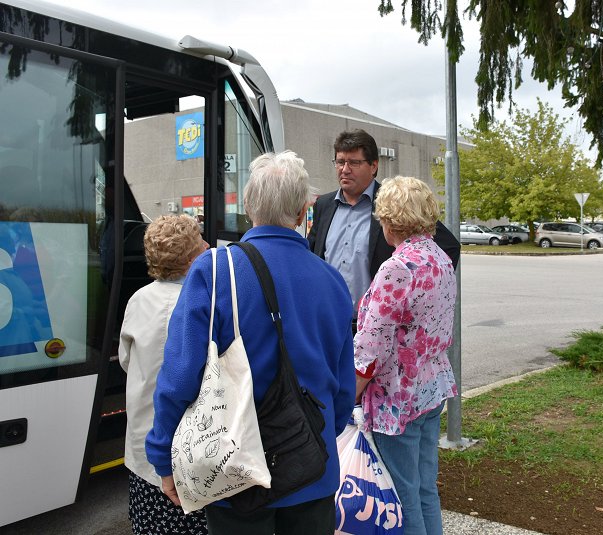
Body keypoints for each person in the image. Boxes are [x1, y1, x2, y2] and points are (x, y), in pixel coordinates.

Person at [145, 151, 356, 535]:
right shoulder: (332, 280)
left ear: (248, 207)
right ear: (302, 212)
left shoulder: (214, 270)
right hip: (312, 463)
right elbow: (342, 390)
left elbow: (179, 376)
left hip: (234, 470)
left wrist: (164, 457)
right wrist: (315, 433)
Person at [353, 176, 458, 535]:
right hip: (432, 388)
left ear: (389, 220)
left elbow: (370, 350)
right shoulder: (439, 258)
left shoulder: (398, 267)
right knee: (426, 487)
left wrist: (347, 396)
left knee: (401, 495)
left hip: (397, 398)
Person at [307, 129, 460, 332]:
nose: (344, 169)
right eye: (340, 161)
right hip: (327, 325)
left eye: (354, 162)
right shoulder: (324, 205)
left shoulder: (394, 202)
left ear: (373, 166)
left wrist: (416, 297)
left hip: (379, 330)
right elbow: (312, 256)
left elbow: (448, 247)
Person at [118, 214, 209, 535]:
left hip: (144, 449)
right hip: (193, 449)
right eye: (201, 242)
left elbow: (127, 362)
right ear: (190, 258)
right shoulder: (204, 302)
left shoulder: (137, 300)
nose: (208, 246)